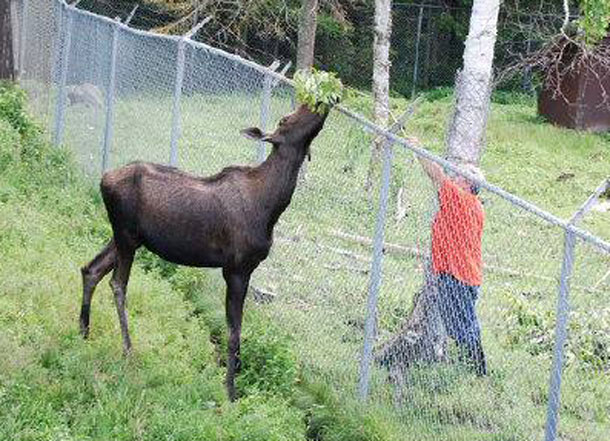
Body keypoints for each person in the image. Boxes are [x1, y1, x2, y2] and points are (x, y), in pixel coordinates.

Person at [418, 156, 487, 376]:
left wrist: (418, 150)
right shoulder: (474, 206)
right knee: (461, 322)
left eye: (459, 176)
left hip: (457, 274)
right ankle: (473, 368)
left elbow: (436, 175)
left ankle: (477, 371)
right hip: (464, 274)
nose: (454, 177)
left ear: (467, 184)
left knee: (461, 326)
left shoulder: (461, 200)